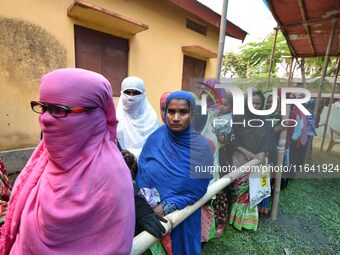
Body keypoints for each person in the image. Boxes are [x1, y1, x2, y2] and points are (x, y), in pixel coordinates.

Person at [0, 68, 135, 254]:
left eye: (58, 110)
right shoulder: (43, 157)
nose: (45, 118)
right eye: (44, 107)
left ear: (94, 115)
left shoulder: (111, 179)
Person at [136, 91, 213, 255]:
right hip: (144, 210)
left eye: (183, 112)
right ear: (165, 112)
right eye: (171, 111)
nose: (176, 118)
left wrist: (166, 207)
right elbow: (143, 167)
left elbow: (198, 189)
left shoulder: (201, 147)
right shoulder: (156, 136)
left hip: (179, 216)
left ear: (192, 114)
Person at [229, 89, 277, 230]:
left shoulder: (265, 121)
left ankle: (247, 220)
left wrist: (263, 152)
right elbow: (232, 139)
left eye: (258, 104)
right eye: (252, 103)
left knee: (253, 190)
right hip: (240, 157)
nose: (255, 106)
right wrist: (245, 151)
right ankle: (234, 217)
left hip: (258, 160)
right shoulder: (238, 118)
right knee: (238, 188)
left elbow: (270, 140)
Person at [116, 76, 159, 159]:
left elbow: (155, 147)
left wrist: (134, 156)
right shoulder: (115, 118)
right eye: (127, 92)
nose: (131, 97)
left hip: (145, 165)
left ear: (143, 94)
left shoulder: (152, 120)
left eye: (136, 93)